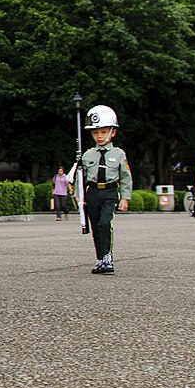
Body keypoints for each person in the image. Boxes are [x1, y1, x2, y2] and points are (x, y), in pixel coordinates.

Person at [80, 105, 131, 274]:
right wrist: (80, 197)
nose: (99, 136)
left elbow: (125, 177)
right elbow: (82, 178)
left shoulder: (118, 154)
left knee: (104, 223)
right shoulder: (87, 155)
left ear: (113, 132)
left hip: (109, 192)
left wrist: (125, 197)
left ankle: (108, 256)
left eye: (103, 132)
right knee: (95, 226)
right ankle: (100, 258)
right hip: (93, 192)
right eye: (95, 133)